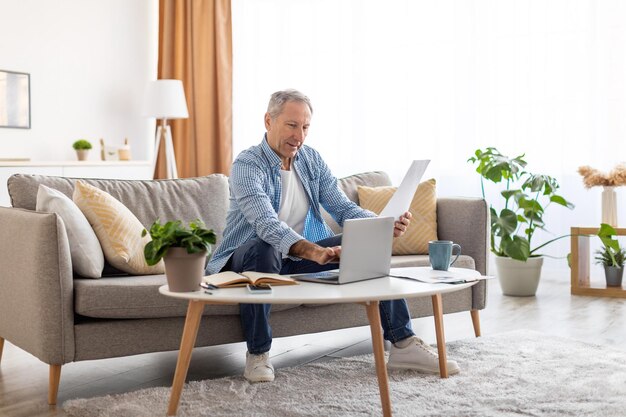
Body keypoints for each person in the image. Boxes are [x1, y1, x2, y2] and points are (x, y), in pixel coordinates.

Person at [206, 89, 460, 383]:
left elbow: (341, 207)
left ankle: (403, 343)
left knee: (365, 243)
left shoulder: (311, 159)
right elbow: (265, 223)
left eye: (305, 127)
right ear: (268, 121)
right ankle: (258, 353)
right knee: (265, 247)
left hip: (295, 260)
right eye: (291, 125)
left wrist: (381, 224)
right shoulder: (247, 165)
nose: (298, 135)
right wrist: (313, 251)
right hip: (246, 259)